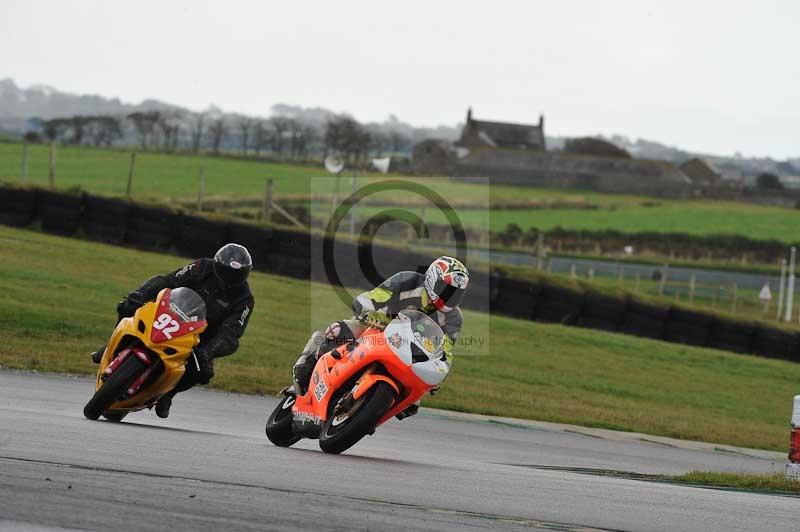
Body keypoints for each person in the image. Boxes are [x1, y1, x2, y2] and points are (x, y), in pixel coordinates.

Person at [293, 256, 468, 419]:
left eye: (455, 293)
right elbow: (373, 298)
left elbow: (444, 352)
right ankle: (307, 365)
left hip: (409, 353)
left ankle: (367, 417)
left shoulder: (454, 319)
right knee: (336, 332)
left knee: (412, 403)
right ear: (432, 279)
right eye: (446, 289)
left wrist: (438, 373)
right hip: (375, 328)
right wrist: (369, 312)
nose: (449, 296)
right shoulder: (407, 281)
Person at [91, 243, 255, 418]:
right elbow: (168, 280)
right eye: (226, 272)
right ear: (216, 264)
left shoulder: (245, 299)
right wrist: (142, 293)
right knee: (128, 307)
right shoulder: (202, 266)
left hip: (197, 339)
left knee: (203, 371)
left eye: (235, 275)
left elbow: (230, 335)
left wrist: (209, 351)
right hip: (169, 313)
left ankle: (168, 395)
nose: (229, 279)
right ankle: (110, 345)